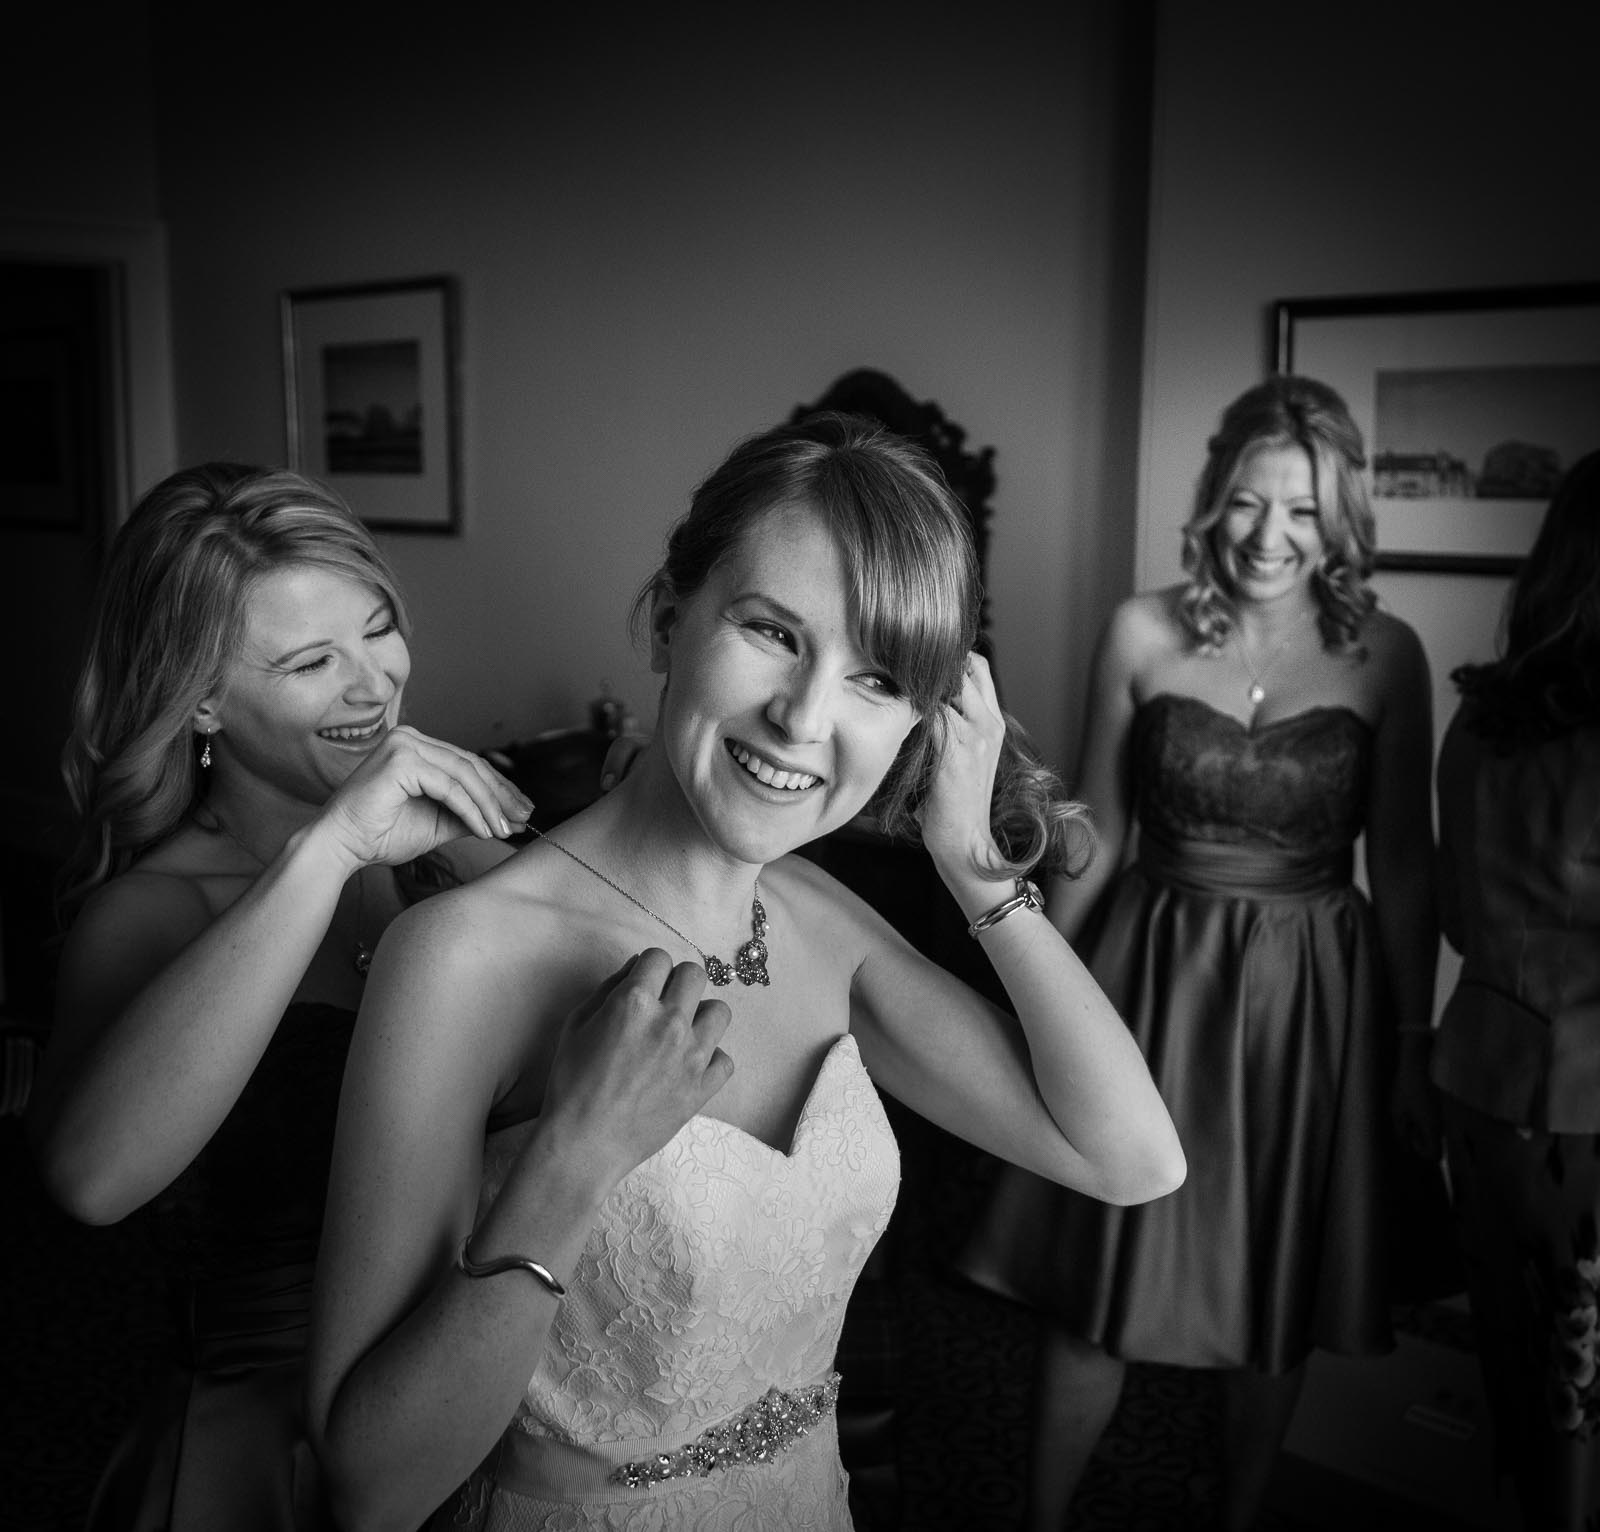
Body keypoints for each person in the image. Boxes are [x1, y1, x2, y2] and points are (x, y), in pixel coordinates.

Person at [304, 412, 1187, 1531]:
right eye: (773, 630)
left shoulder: (822, 920)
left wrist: (973, 867)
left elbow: (1131, 1156)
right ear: (672, 619)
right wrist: (573, 1157)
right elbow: (373, 1486)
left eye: (876, 679)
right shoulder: (465, 956)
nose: (805, 717)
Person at [960, 375, 1441, 1531]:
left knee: (1277, 1280)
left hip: (1310, 1001)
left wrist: (1409, 1041)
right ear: (1211, 499)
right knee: (1102, 1277)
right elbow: (1102, 830)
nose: (1268, 537)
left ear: (1338, 521)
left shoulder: (1387, 654)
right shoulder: (1140, 627)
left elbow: (1407, 866)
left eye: (1301, 512)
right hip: (1151, 974)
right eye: (1243, 504)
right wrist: (1022, 981)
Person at [26, 463, 544, 1531]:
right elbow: (90, 1180)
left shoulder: (445, 857)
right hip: (268, 1454)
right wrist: (329, 851)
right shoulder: (151, 912)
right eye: (311, 661)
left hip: (489, 1399)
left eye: (380, 628)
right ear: (203, 697)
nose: (375, 686)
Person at [1431, 449, 1600, 1532]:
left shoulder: (1480, 719)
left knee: (1531, 1392)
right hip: (1588, 1116)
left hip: (1485, 1090)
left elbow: (1455, 916)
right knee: (1579, 1399)